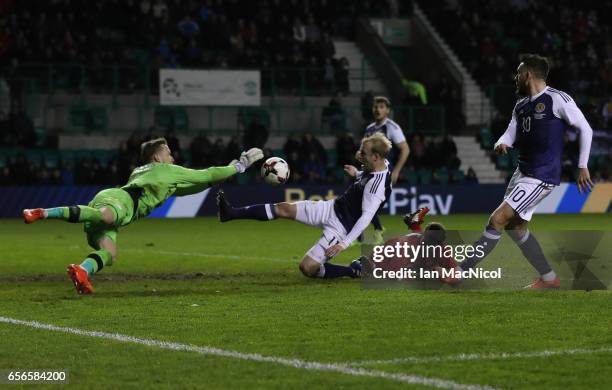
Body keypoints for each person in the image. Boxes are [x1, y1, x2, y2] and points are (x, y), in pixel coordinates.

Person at [22, 138, 263, 294]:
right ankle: (42, 212)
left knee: (109, 252)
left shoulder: (144, 171)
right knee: (105, 217)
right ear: (157, 157)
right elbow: (206, 175)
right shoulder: (165, 170)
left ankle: (82, 272)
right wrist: (238, 167)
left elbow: (194, 186)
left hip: (112, 198)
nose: (172, 157)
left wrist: (222, 174)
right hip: (120, 203)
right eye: (168, 153)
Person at [460, 54, 594, 289]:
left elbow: (586, 129)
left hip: (541, 176)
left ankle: (459, 272)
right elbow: (510, 132)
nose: (515, 78)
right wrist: (502, 142)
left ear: (527, 74)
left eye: (518, 73)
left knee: (497, 219)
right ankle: (549, 279)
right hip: (522, 173)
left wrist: (582, 165)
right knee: (515, 227)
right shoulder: (521, 105)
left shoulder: (557, 99)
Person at [217, 132, 392, 279]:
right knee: (283, 208)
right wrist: (358, 173)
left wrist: (343, 244)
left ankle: (353, 270)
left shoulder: (376, 188)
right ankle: (230, 213)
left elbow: (366, 217)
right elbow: (368, 177)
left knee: (307, 267)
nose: (360, 154)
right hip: (332, 207)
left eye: (364, 153)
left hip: (341, 228)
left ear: (376, 157)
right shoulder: (379, 165)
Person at [363, 96, 410, 244]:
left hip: (384, 172)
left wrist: (396, 171)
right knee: (362, 202)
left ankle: (376, 230)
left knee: (369, 203)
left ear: (387, 110)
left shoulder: (391, 127)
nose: (378, 109)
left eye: (382, 107)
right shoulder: (369, 128)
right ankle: (368, 233)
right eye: (376, 107)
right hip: (370, 171)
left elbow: (405, 149)